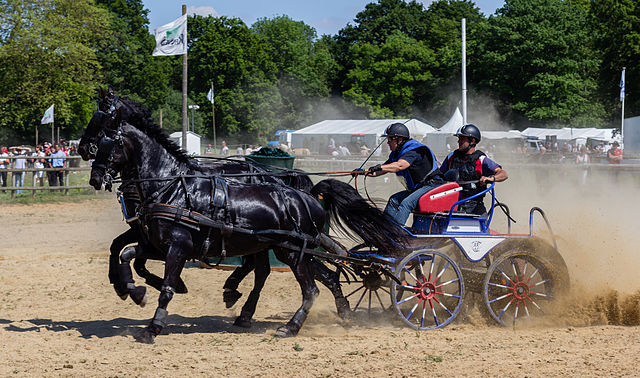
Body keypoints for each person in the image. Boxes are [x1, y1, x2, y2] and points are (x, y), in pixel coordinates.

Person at [356, 122, 442, 226]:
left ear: (399, 139)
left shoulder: (414, 150)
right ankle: (385, 229)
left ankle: (396, 233)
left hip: (433, 185)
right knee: (394, 200)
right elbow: (382, 170)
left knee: (406, 203)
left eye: (390, 139)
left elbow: (399, 166)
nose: (388, 143)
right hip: (420, 188)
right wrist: (363, 172)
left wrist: (380, 166)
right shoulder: (397, 153)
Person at [439, 124, 508, 215]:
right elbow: (439, 176)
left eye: (462, 139)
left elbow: (504, 174)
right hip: (451, 204)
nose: (459, 141)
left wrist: (490, 178)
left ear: (472, 141)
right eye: (459, 139)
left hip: (474, 204)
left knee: (482, 224)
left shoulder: (481, 159)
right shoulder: (451, 157)